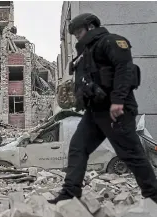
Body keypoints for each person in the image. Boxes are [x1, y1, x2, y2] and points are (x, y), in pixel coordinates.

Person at [48, 13, 157, 204]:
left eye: (79, 32)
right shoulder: (84, 55)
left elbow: (124, 69)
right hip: (95, 112)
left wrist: (118, 101)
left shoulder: (112, 41)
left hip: (116, 110)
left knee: (130, 154)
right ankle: (70, 193)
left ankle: (154, 195)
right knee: (77, 147)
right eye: (74, 35)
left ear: (91, 27)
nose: (77, 37)